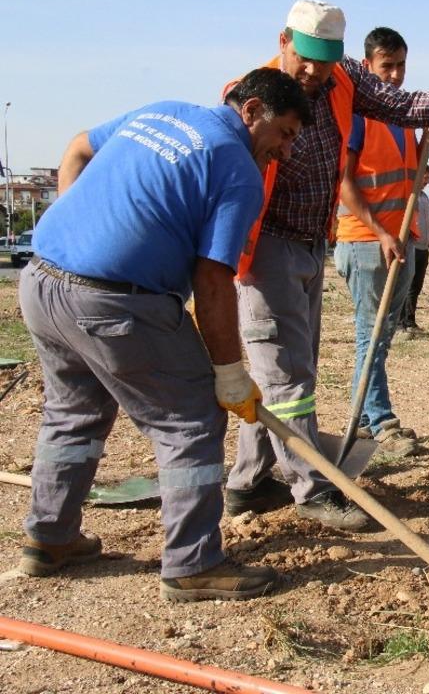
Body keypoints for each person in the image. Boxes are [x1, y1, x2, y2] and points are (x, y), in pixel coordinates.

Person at [18, 69, 311, 602]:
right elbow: (214, 278)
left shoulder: (162, 112)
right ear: (250, 111)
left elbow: (78, 147)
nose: (286, 151)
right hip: (115, 301)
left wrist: (77, 225)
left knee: (73, 414)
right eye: (286, 134)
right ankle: (193, 563)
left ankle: (50, 538)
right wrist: (228, 374)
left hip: (42, 281)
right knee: (192, 418)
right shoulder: (237, 170)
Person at [223, 0, 429, 529]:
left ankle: (247, 481)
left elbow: (404, 105)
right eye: (307, 59)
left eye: (326, 61)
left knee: (286, 371)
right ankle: (311, 490)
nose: (315, 73)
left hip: (312, 243)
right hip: (264, 248)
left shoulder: (344, 80)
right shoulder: (251, 96)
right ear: (284, 40)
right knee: (286, 377)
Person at [334, 27, 423, 460]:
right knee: (371, 338)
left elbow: (401, 177)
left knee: (380, 338)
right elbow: (344, 182)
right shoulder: (357, 116)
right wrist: (383, 232)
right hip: (368, 241)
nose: (394, 75)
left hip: (399, 240)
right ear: (367, 66)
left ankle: (367, 420)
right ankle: (380, 420)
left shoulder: (400, 120)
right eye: (386, 66)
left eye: (400, 65)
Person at [399, 164, 429, 338]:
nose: (427, 181)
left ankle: (411, 320)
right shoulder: (410, 196)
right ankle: (401, 323)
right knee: (405, 286)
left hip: (423, 248)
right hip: (411, 247)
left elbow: (428, 224)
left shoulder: (425, 198)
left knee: (416, 287)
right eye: (425, 177)